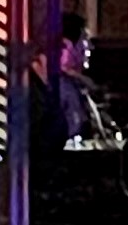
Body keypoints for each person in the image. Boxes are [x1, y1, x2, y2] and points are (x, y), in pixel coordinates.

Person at [37, 11, 111, 147]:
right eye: (85, 40)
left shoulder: (74, 86)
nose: (90, 47)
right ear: (65, 47)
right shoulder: (58, 88)